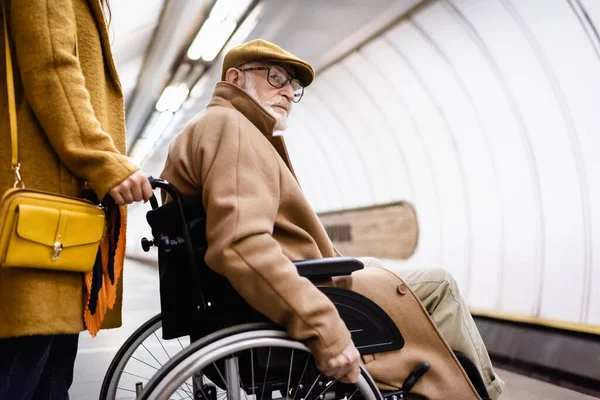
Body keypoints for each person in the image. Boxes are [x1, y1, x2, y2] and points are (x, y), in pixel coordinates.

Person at [160, 39, 504, 398]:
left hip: (283, 280)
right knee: (440, 285)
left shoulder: (214, 127)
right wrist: (324, 328)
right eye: (276, 77)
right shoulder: (231, 128)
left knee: (378, 269)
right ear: (234, 77)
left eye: (293, 86)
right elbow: (239, 245)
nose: (289, 93)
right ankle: (478, 393)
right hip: (307, 286)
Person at [0, 1, 152, 399]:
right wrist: (103, 161)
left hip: (60, 216)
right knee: (23, 372)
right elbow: (51, 65)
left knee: (48, 376)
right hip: (43, 213)